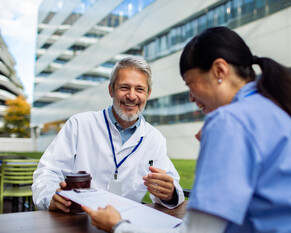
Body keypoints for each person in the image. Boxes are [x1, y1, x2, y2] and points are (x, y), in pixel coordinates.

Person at [82, 27, 291, 233]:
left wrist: (118, 228)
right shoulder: (280, 108)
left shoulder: (229, 121)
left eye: (190, 84)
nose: (192, 98)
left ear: (219, 71)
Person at [32, 56, 185, 212]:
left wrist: (169, 193)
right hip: (79, 221)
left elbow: (173, 186)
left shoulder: (154, 138)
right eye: (124, 87)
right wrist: (50, 196)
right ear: (111, 89)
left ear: (148, 94)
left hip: (125, 224)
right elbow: (48, 171)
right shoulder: (79, 124)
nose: (132, 96)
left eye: (139, 89)